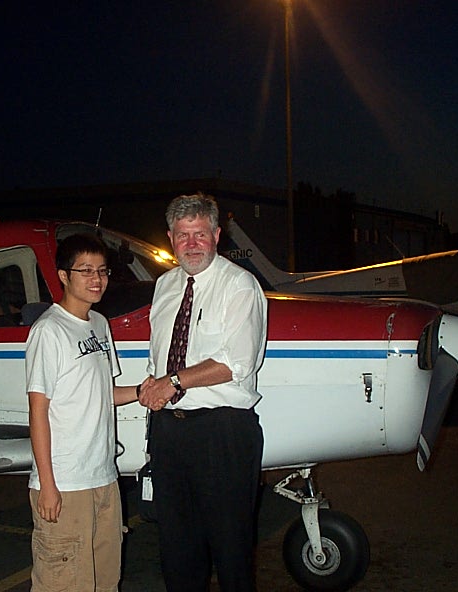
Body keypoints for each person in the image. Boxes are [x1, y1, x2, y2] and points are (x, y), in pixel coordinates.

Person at [138, 192, 268, 592]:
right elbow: (157, 354)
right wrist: (151, 389)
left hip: (222, 433)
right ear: (170, 238)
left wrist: (172, 382)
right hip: (170, 435)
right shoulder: (163, 286)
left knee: (231, 553)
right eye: (182, 235)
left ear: (216, 234)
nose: (191, 244)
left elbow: (237, 363)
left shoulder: (240, 285)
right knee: (177, 551)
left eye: (200, 234)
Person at [25, 233, 142, 592]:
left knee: (105, 580)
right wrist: (48, 484)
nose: (97, 280)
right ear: (63, 276)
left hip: (103, 477)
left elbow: (102, 393)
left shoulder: (99, 325)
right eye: (86, 270)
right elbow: (38, 411)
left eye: (103, 271)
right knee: (63, 582)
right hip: (66, 482)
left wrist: (143, 391)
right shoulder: (49, 331)